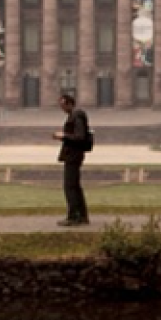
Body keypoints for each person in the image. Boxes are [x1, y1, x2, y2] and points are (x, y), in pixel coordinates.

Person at [52, 92, 90, 226]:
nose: (61, 108)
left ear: (69, 103)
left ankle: (73, 217)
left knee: (70, 187)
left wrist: (63, 136)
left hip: (73, 155)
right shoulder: (74, 115)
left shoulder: (76, 116)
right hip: (74, 154)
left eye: (63, 105)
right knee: (75, 186)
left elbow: (80, 137)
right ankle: (82, 216)